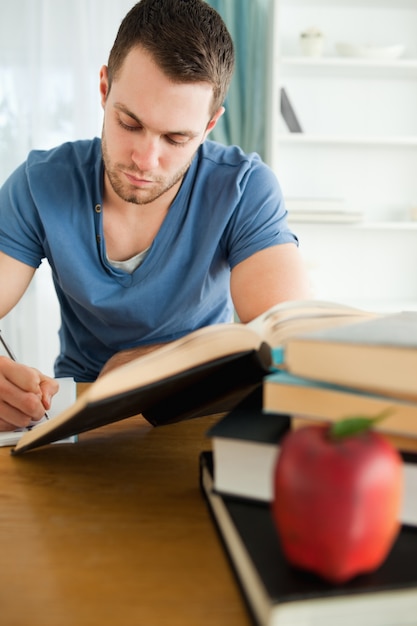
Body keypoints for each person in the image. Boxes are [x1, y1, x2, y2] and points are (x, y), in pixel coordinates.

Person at [0, 0, 310, 432]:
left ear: (208, 126)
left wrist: (153, 362)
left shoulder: (244, 189)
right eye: (129, 123)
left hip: (198, 406)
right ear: (105, 88)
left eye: (176, 138)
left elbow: (283, 338)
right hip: (76, 414)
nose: (146, 160)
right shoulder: (39, 184)